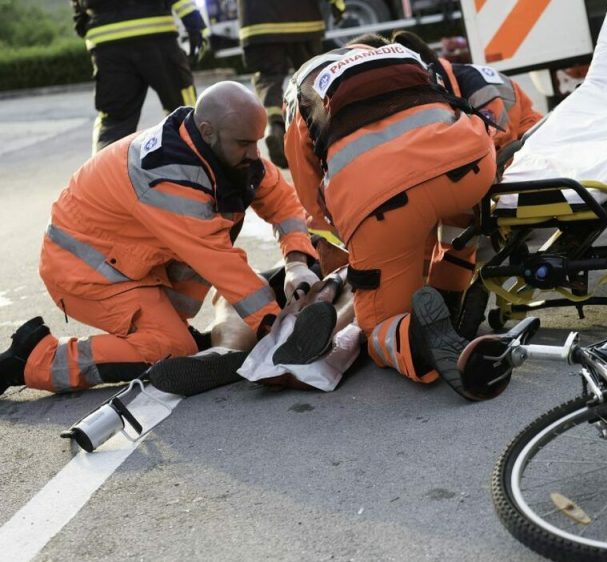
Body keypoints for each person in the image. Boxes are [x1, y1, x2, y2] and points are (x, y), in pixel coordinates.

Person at [0, 82, 319, 396]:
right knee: (170, 348)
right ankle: (34, 359)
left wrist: (296, 261)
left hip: (125, 260)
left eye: (257, 142)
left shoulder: (215, 148)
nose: (255, 154)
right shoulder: (169, 177)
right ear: (207, 131)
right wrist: (279, 328)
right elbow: (220, 263)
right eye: (244, 144)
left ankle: (174, 333)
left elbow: (282, 201)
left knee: (181, 330)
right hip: (84, 270)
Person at [285, 35, 513, 400]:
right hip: (470, 166)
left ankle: (415, 340)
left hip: (383, 202)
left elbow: (315, 203)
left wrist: (357, 257)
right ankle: (449, 299)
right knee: (456, 230)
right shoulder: (401, 57)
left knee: (377, 325)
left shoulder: (302, 87)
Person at [71, 0, 209, 154]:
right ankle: (200, 164)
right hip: (157, 34)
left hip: (106, 41)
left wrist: (81, 14)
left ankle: (100, 174)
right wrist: (194, 22)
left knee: (115, 120)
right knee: (183, 110)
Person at [238, 0, 348, 168]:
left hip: (257, 20)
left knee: (268, 78)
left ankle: (274, 124)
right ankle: (323, 132)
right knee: (312, 76)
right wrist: (337, 4)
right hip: (303, 17)